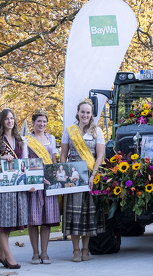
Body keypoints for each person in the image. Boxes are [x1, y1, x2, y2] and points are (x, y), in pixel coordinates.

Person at [60, 98, 106, 262]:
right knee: (74, 214)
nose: (85, 115)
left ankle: (85, 249)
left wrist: (93, 175)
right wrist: (62, 175)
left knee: (87, 214)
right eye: (82, 112)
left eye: (88, 112)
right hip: (73, 177)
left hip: (90, 176)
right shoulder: (69, 130)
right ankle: (75, 250)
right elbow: (63, 156)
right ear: (78, 113)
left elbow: (100, 156)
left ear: (91, 114)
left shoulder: (97, 132)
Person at [0, 108, 30, 269]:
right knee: (2, 221)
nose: (9, 121)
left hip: (16, 183)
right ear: (1, 121)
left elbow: (25, 162)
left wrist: (29, 182)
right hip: (0, 184)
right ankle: (9, 257)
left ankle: (0, 254)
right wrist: (1, 158)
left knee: (10, 220)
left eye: (12, 118)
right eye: (6, 119)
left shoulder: (21, 140)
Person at [25, 109, 60, 265]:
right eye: (39, 121)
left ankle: (45, 253)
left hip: (48, 182)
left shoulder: (51, 138)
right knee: (34, 219)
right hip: (34, 181)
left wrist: (52, 177)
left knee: (47, 219)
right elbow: (25, 161)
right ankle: (35, 253)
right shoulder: (26, 139)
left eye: (44, 121)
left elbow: (53, 160)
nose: (42, 124)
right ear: (33, 122)